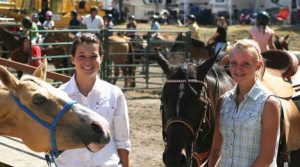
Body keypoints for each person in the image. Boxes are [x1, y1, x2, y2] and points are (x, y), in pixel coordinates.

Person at [54, 33, 130, 167]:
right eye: (81, 56)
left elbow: (122, 141)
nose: (88, 62)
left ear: (101, 58)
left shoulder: (115, 94)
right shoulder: (58, 96)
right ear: (72, 59)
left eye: (93, 56)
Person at [208, 39, 281, 167]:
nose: (238, 69)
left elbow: (266, 158)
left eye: (246, 63)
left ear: (258, 66)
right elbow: (215, 150)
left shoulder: (269, 104)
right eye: (234, 63)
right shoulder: (223, 101)